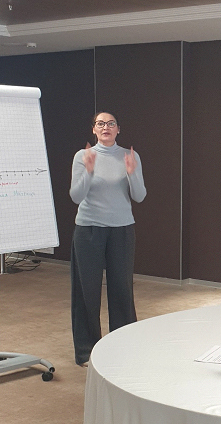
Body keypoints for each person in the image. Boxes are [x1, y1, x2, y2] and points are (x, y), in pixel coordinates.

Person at [69, 111, 147, 366]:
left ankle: (123, 347)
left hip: (121, 230)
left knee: (122, 289)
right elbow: (75, 196)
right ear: (94, 129)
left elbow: (139, 196)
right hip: (89, 229)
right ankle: (86, 351)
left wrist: (132, 172)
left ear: (118, 129)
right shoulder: (82, 156)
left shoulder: (130, 156)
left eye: (111, 123)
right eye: (100, 124)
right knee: (86, 292)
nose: (106, 127)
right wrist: (89, 171)